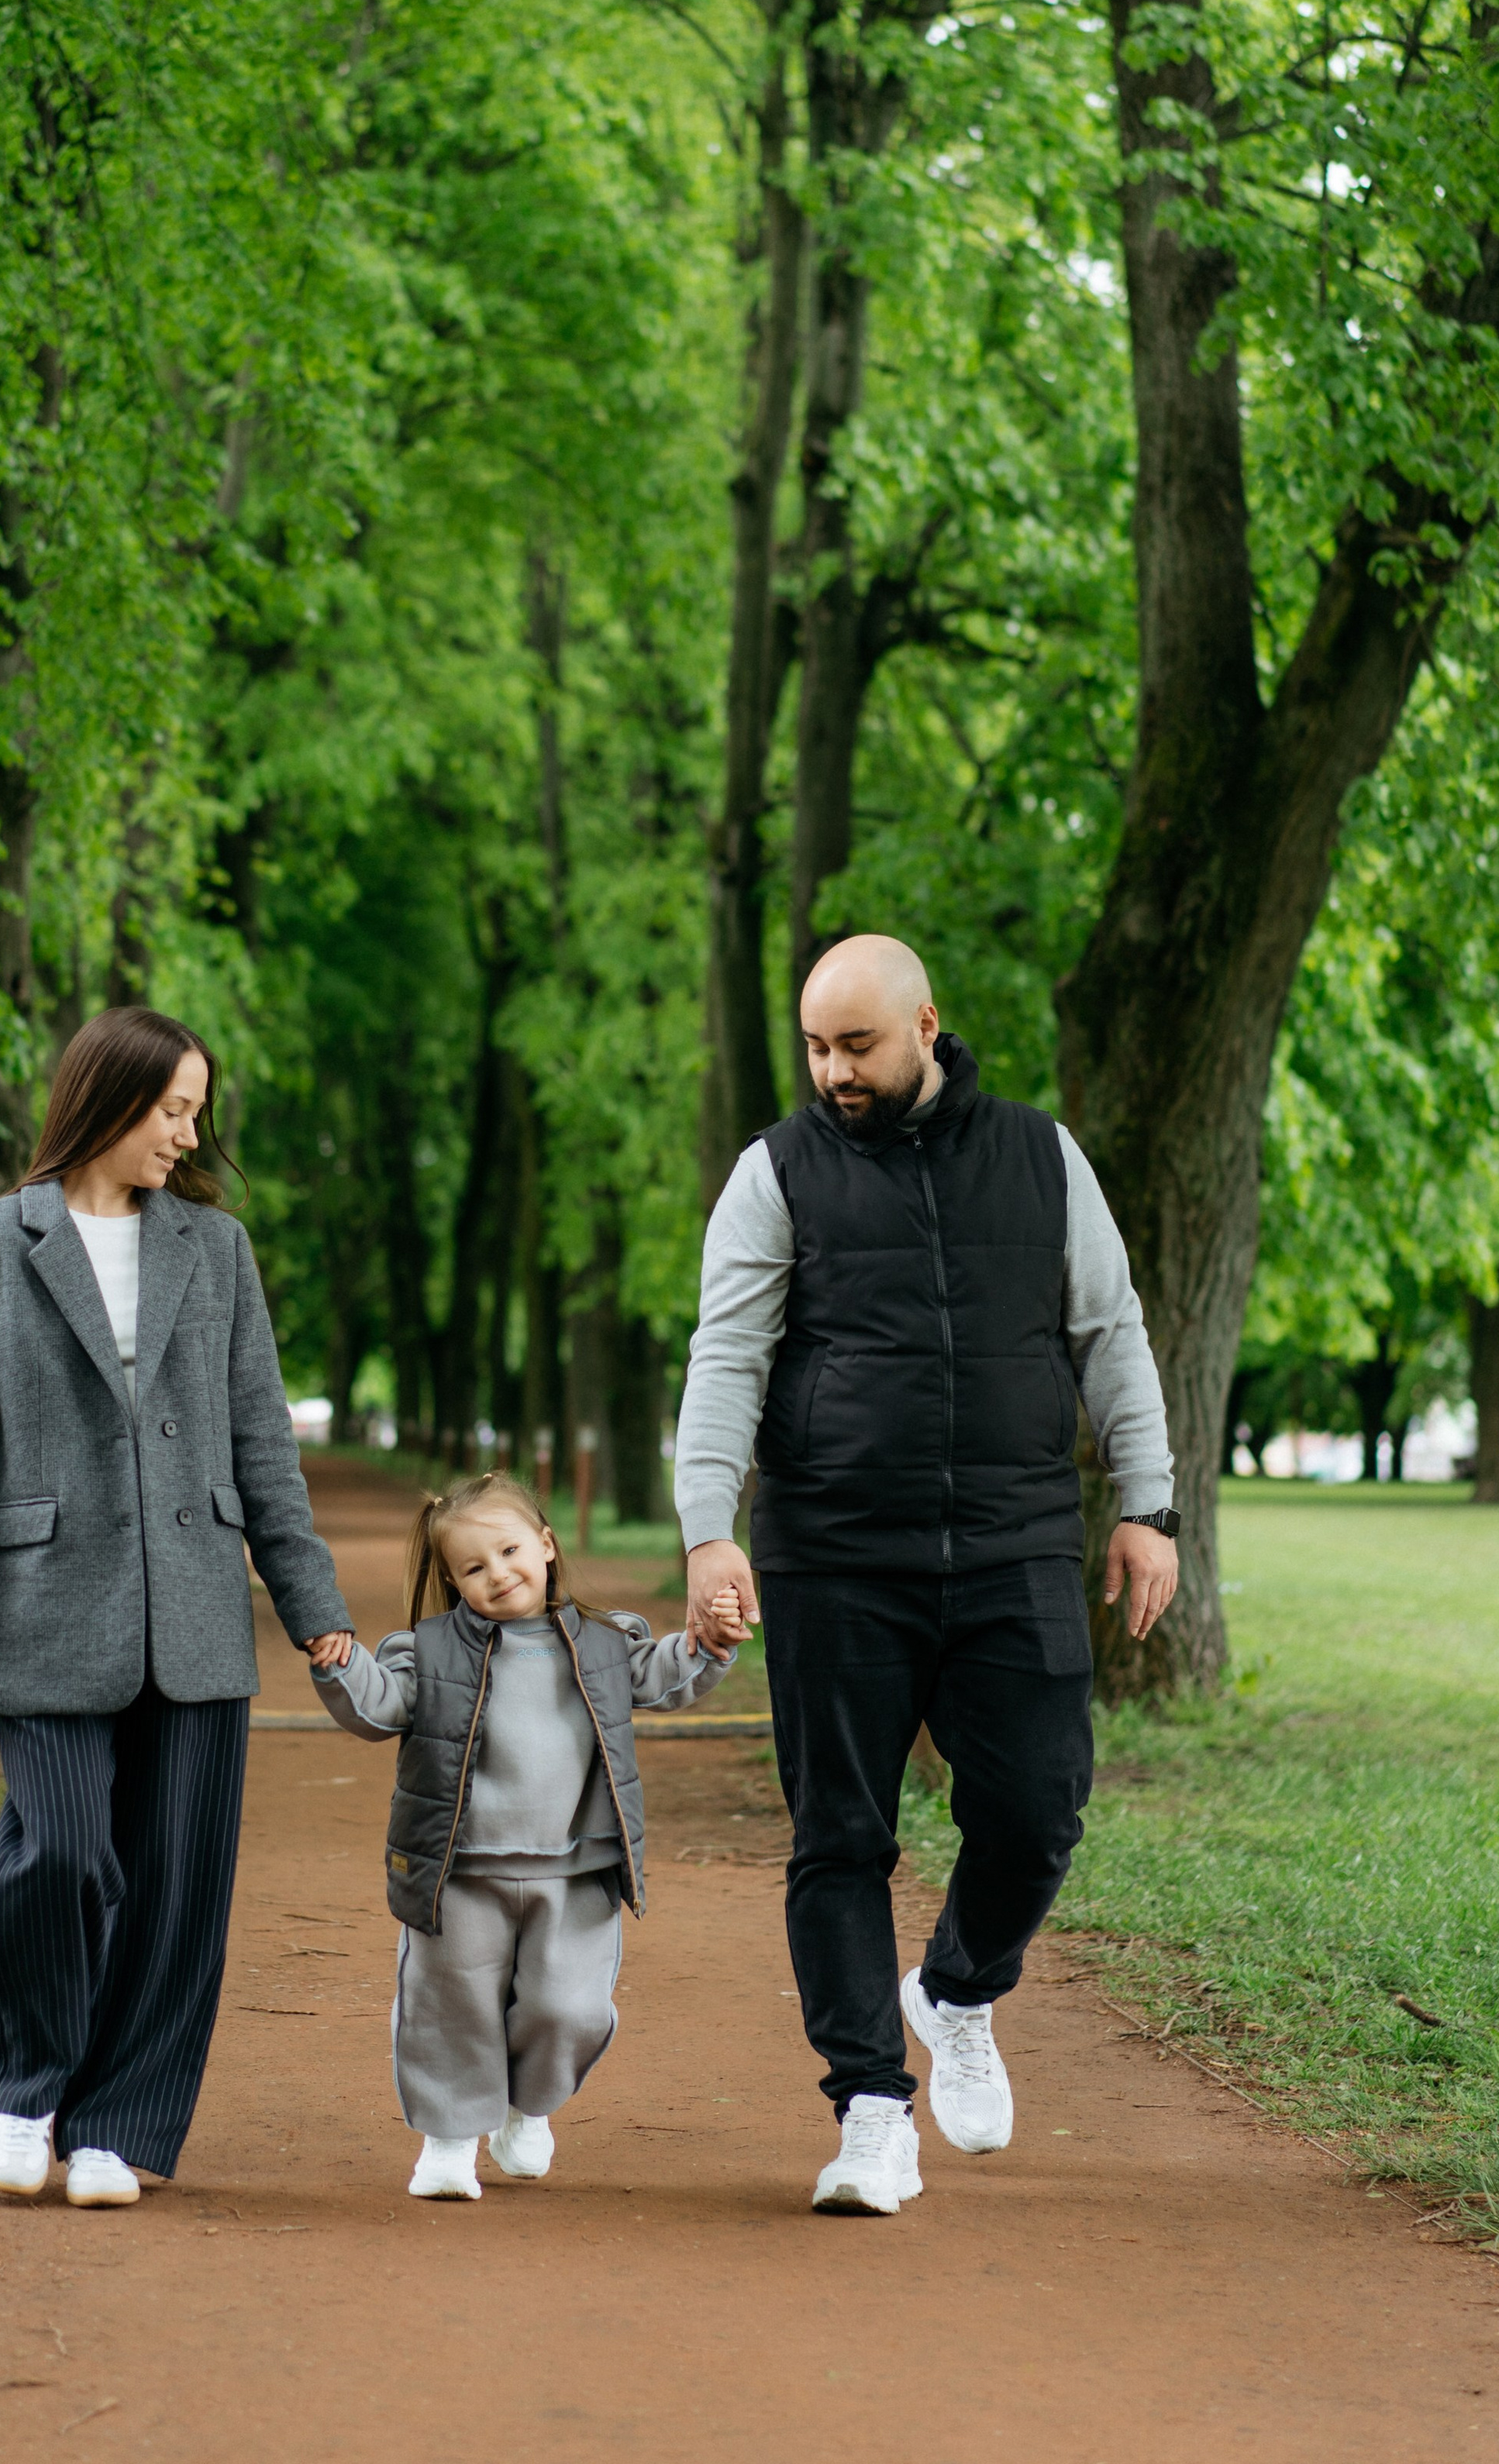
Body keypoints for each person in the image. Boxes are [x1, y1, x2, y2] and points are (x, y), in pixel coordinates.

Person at [677, 934, 1177, 2215]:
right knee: (841, 1834)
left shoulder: (1039, 1154)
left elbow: (1109, 1331)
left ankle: (955, 1990)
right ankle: (869, 2111)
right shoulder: (774, 1173)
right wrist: (708, 1530)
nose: (833, 1072)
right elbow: (728, 1355)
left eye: (857, 1045)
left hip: (1012, 1542)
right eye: (814, 1048)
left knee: (1040, 1805)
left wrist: (1149, 1506)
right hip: (837, 1552)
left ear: (926, 1026)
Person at [0, 1007, 353, 2210]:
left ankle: (120, 2120)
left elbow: (262, 1442)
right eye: (172, 1109)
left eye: (194, 1111)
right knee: (60, 1847)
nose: (188, 1133)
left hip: (193, 1614)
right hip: (35, 1609)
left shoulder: (215, 1253)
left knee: (178, 1884)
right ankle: (26, 2092)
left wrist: (311, 1603)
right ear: (107, 1099)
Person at [311, 1471, 743, 2199]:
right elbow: (379, 1707)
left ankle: (525, 2107)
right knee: (453, 2003)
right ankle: (448, 2142)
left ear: (545, 1544)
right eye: (474, 1568)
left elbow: (665, 1675)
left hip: (575, 1872)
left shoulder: (604, 1645)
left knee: (568, 2008)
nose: (498, 1574)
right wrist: (342, 1662)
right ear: (453, 1581)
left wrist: (710, 1642)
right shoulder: (429, 1651)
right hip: (461, 1871)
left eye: (510, 1551)